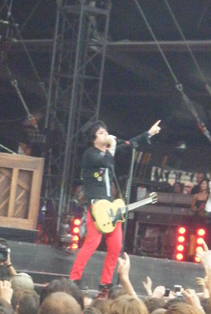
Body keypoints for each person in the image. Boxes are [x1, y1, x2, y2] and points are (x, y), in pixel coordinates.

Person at [69, 118, 161, 293]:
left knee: (116, 245)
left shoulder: (108, 150)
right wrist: (111, 147)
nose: (106, 134)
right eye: (101, 133)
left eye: (106, 131)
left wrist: (148, 133)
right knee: (92, 243)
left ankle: (105, 283)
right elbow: (106, 162)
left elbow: (129, 143)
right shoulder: (90, 154)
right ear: (93, 138)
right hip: (96, 207)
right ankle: (74, 278)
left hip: (110, 206)